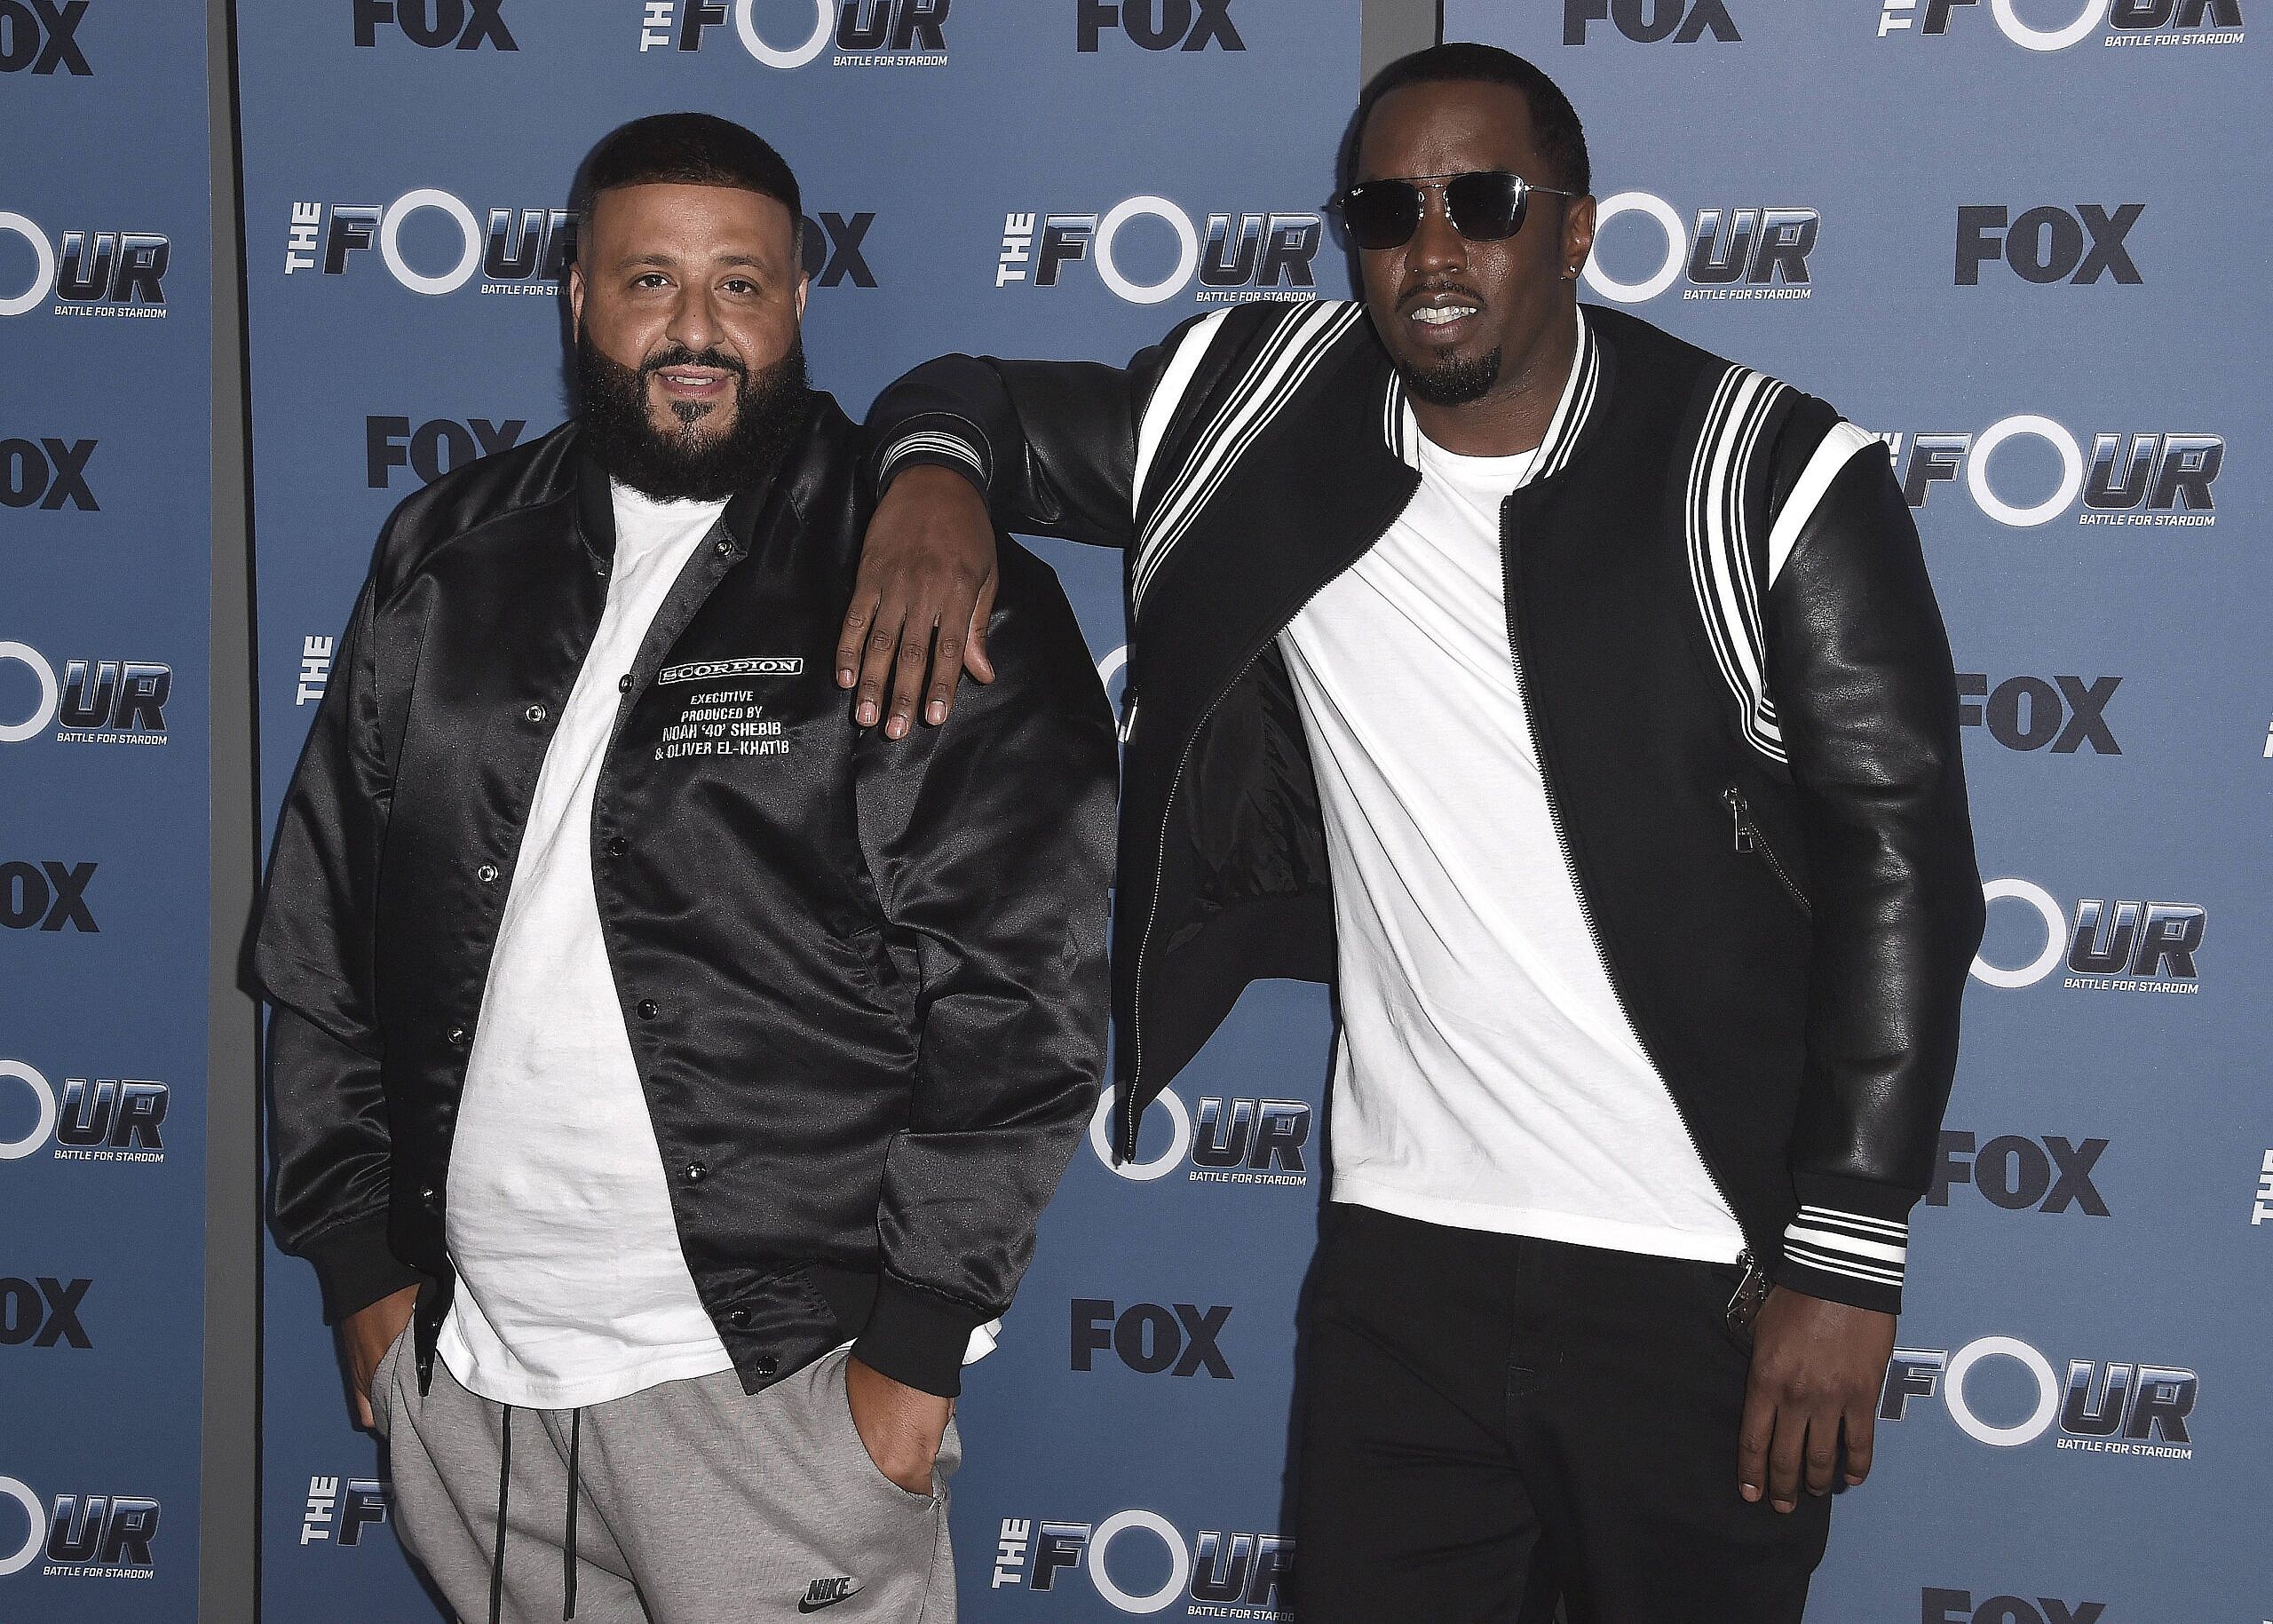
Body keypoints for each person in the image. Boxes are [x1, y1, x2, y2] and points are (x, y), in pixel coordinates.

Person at [838, 44, 1985, 1623]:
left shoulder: (1764, 471)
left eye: (1484, 203)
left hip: (1698, 1271)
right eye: (1387, 210)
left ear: (1574, 229)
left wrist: (1843, 1250)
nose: (1432, 251)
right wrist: (928, 482)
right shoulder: (1264, 411)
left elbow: (1903, 868)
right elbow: (976, 405)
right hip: (1404, 1266)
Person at [257, 112, 1115, 1624]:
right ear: (577, 294)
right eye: (651, 282)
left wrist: (907, 1373)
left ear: (798, 303)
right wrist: (363, 1280)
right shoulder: (449, 549)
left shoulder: (914, 559)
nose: (695, 330)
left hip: (773, 1387)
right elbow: (325, 926)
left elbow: (1024, 990)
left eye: (741, 285)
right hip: (473, 1370)